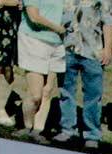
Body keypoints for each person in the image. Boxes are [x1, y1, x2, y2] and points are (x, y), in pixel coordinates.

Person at [54, 0, 112, 147]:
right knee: (66, 92)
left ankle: (92, 133)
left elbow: (108, 22)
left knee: (93, 95)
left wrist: (107, 49)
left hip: (93, 52)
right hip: (68, 50)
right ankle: (67, 129)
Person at [17, 0, 68, 132]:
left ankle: (38, 131)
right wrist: (57, 28)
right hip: (34, 40)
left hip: (57, 44)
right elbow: (34, 17)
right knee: (36, 95)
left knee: (47, 91)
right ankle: (27, 127)